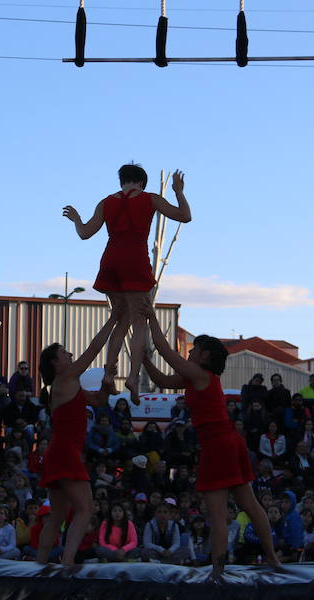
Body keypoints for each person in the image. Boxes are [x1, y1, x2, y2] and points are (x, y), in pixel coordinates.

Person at [142, 303, 280, 578]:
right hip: (226, 442)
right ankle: (272, 559)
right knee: (249, 504)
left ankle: (218, 570)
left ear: (204, 356)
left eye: (193, 349)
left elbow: (167, 352)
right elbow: (161, 378)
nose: (189, 352)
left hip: (219, 445)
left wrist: (151, 317)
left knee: (217, 514)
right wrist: (143, 360)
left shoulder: (201, 375)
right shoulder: (196, 377)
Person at [62, 164, 191, 402]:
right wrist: (178, 191)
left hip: (111, 258)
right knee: (139, 319)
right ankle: (132, 376)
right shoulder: (150, 199)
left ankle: (109, 374)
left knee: (120, 319)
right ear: (142, 182)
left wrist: (77, 219)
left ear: (121, 181)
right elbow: (185, 216)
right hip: (135, 257)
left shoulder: (106, 202)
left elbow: (85, 233)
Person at [35, 310, 120, 566]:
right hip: (65, 452)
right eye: (65, 352)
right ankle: (68, 561)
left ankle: (40, 564)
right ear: (55, 362)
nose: (71, 355)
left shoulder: (69, 385)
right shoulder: (65, 379)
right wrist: (113, 319)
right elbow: (94, 348)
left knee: (58, 513)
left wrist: (107, 381)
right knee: (85, 510)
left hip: (58, 452)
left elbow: (100, 401)